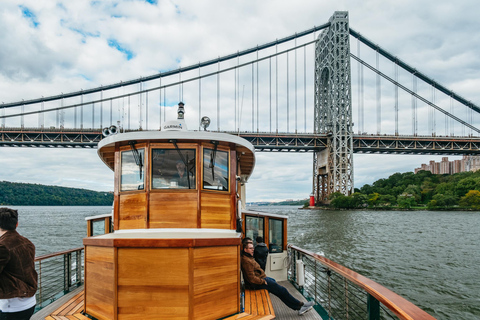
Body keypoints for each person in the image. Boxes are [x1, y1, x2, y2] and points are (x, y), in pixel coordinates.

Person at [241, 242, 314, 315]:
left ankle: (301, 304)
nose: (253, 250)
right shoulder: (246, 261)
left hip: (260, 279)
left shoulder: (248, 257)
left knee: (275, 284)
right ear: (245, 249)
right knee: (282, 290)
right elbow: (251, 278)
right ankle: (300, 307)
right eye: (250, 248)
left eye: (253, 248)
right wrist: (262, 281)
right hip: (257, 283)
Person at [0, 208, 38, 320]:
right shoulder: (28, 243)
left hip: (11, 306)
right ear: (16, 224)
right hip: (29, 302)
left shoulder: (2, 246)